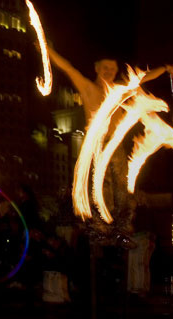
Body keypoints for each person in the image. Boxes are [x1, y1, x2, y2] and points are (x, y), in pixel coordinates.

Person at [48, 46, 173, 243]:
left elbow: (144, 77)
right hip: (98, 147)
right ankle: (101, 230)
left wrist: (165, 68)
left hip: (116, 148)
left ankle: (122, 230)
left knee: (122, 189)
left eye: (112, 69)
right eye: (105, 68)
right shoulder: (88, 88)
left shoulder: (120, 89)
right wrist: (48, 50)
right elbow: (67, 67)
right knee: (102, 189)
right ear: (97, 68)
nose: (109, 72)